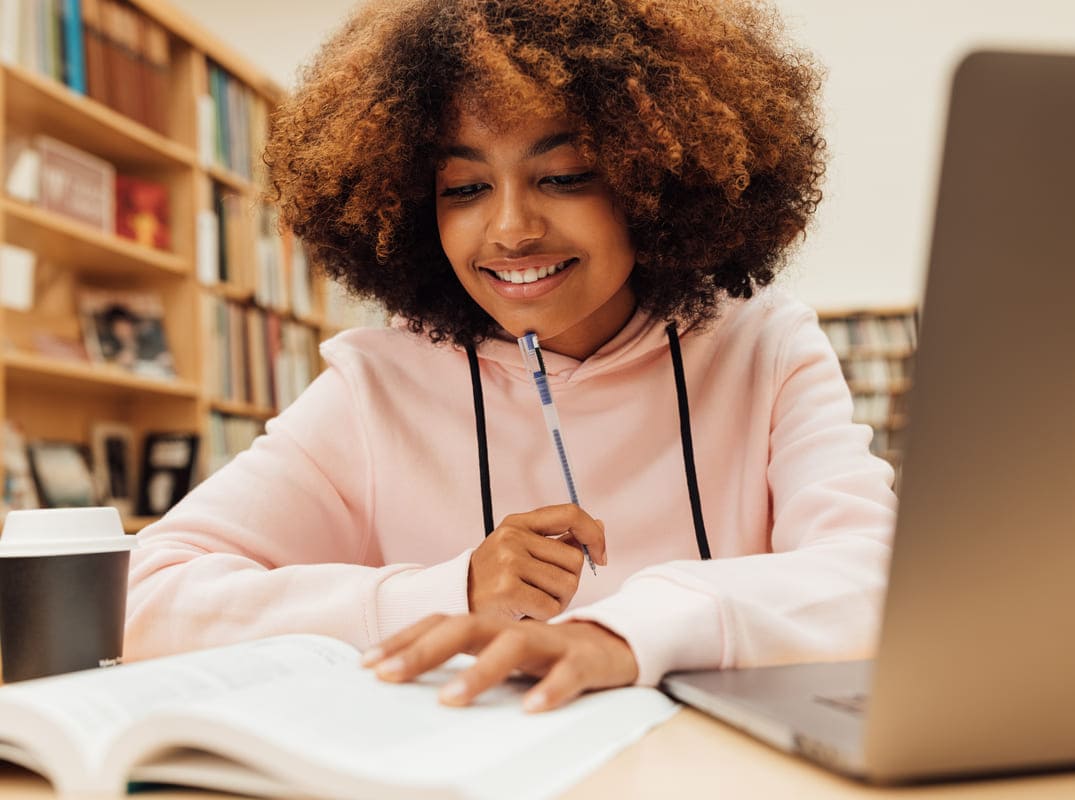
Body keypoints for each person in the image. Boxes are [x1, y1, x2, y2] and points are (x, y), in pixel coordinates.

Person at [126, 0, 897, 714]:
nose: (510, 229)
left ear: (652, 179)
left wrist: (625, 632)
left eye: (563, 177)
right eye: (462, 188)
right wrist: (451, 589)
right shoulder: (378, 388)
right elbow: (141, 598)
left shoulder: (765, 346)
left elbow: (883, 579)